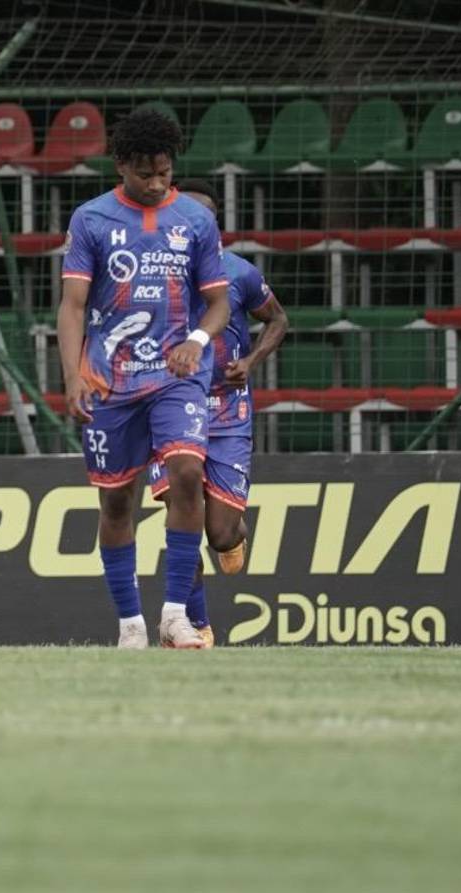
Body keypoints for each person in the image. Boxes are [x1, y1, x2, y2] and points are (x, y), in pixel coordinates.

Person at [57, 107, 231, 649]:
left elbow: (219, 303)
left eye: (164, 172)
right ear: (121, 166)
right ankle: (130, 624)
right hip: (109, 380)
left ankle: (176, 614)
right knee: (116, 503)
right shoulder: (92, 219)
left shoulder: (197, 221)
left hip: (176, 375)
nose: (157, 184)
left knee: (184, 473)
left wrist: (196, 342)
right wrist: (71, 376)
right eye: (145, 174)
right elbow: (72, 306)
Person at [146, 179, 289, 648]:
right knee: (180, 513)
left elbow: (279, 319)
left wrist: (249, 362)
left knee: (221, 533)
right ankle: (199, 627)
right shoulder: (152, 273)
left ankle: (229, 537)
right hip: (168, 405)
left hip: (226, 410)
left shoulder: (239, 273)